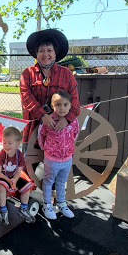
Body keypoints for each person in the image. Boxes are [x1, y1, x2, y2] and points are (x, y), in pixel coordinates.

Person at [20, 28, 80, 179]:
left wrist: (66, 119)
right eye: (41, 50)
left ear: (55, 53)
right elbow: (26, 97)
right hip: (33, 127)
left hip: (59, 130)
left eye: (49, 50)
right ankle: (26, 194)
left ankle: (52, 195)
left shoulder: (66, 74)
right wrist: (43, 116)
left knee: (55, 167)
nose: (45, 54)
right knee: (28, 165)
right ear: (36, 53)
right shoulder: (27, 73)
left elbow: (75, 102)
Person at [38, 90, 80, 219]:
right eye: (58, 104)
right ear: (52, 105)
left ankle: (61, 203)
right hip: (51, 159)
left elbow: (75, 134)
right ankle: (47, 204)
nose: (62, 108)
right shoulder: (48, 121)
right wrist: (47, 150)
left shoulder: (73, 121)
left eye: (65, 105)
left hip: (67, 159)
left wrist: (68, 149)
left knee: (62, 182)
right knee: (49, 181)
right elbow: (41, 136)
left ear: (70, 106)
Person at [0, 127, 36, 225]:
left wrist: (15, 180)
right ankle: (3, 210)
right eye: (4, 142)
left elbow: (19, 171)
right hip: (3, 177)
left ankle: (24, 208)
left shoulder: (19, 155)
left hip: (13, 176)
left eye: (9, 143)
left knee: (27, 186)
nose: (6, 145)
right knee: (1, 187)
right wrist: (8, 180)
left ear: (18, 143)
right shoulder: (1, 155)